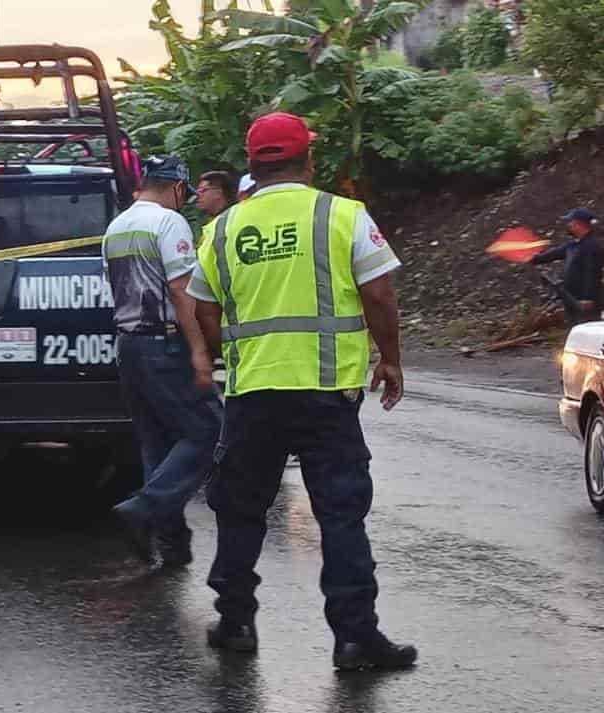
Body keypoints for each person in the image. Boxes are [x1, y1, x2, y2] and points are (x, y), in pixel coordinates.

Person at [187, 112, 418, 671]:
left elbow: (204, 308)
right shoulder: (341, 215)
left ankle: (236, 621)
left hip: (253, 393)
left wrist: (233, 356)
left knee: (241, 510)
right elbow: (380, 294)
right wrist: (390, 358)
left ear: (252, 164)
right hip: (326, 392)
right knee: (340, 514)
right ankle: (356, 637)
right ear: (307, 159)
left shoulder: (221, 229)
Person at [104, 156, 225, 568]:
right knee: (209, 429)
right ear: (176, 188)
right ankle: (144, 510)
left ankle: (170, 543)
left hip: (129, 347)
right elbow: (180, 291)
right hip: (165, 344)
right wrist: (199, 351)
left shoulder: (117, 225)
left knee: (157, 443)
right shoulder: (168, 222)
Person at [530, 208, 604, 325]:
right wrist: (533, 258)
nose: (568, 225)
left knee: (587, 331)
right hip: (572, 299)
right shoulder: (572, 245)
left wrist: (588, 298)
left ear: (579, 224)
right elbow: (553, 254)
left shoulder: (592, 246)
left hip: (585, 302)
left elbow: (593, 273)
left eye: (570, 222)